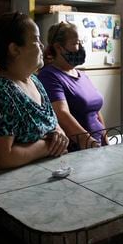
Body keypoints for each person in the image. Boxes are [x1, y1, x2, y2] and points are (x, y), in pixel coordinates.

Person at [0, 12, 69, 170]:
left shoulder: (34, 81)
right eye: (36, 39)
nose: (42, 46)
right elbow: (0, 158)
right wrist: (48, 147)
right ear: (14, 49)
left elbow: (52, 126)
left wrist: (59, 135)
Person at [38, 22, 107, 151]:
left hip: (98, 146)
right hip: (79, 150)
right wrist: (88, 142)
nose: (80, 47)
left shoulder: (82, 75)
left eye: (80, 42)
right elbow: (61, 114)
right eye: (75, 43)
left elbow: (96, 111)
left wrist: (105, 140)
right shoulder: (49, 76)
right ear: (58, 48)